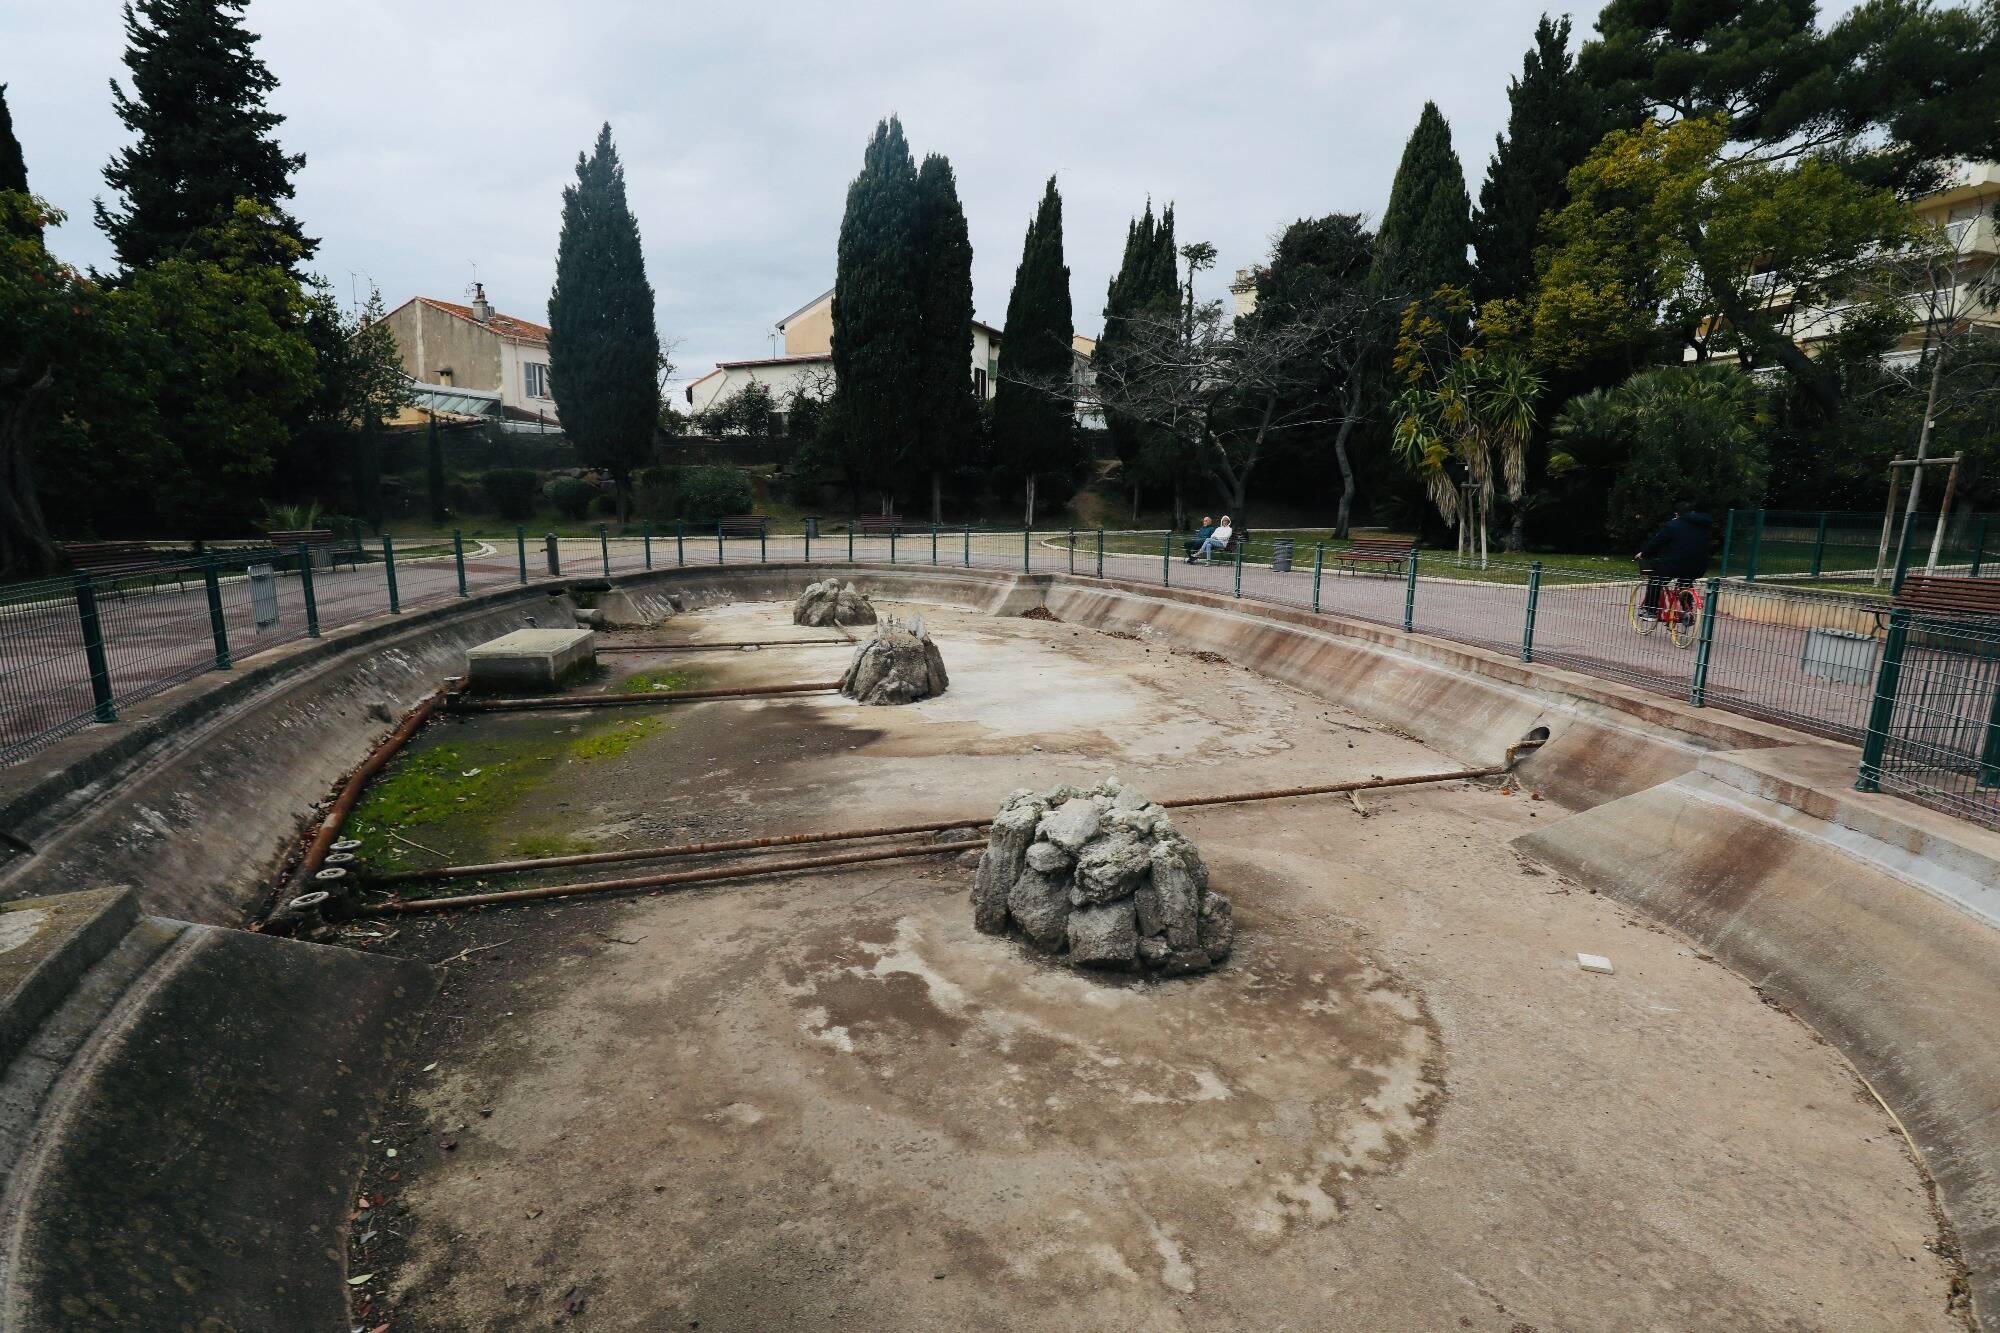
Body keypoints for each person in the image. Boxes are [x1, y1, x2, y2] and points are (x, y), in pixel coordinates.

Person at [1635, 503, 1714, 618]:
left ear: (1677, 514)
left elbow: (1657, 543)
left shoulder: (1672, 525)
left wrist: (1644, 553)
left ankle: (1651, 611)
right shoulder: (1703, 526)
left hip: (1676, 565)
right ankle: (1687, 608)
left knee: (1655, 579)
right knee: (1686, 579)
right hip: (1699, 567)